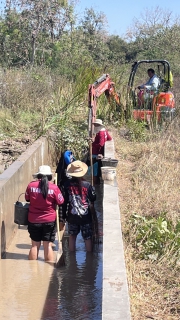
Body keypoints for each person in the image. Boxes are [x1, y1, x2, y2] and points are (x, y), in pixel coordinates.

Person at [25, 165, 64, 262]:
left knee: (34, 245)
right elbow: (61, 201)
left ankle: (33, 271)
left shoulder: (31, 186)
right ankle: (48, 270)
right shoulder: (54, 188)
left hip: (33, 220)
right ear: (50, 176)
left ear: (39, 175)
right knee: (48, 245)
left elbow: (27, 198)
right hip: (49, 220)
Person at [62, 160, 96, 252]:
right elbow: (93, 198)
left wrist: (63, 216)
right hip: (86, 216)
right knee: (87, 238)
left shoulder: (66, 185)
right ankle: (89, 259)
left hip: (72, 216)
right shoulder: (87, 185)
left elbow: (64, 202)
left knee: (72, 237)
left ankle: (72, 260)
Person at [55, 150, 76, 231]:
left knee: (70, 213)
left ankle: (66, 231)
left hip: (72, 193)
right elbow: (57, 180)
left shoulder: (73, 165)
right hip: (64, 193)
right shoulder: (62, 168)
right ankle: (62, 230)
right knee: (62, 213)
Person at [88, 118, 112, 184]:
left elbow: (100, 144)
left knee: (94, 170)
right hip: (99, 152)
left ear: (99, 125)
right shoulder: (105, 131)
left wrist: (93, 144)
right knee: (97, 169)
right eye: (95, 125)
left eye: (96, 125)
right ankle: (96, 183)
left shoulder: (101, 133)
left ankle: (94, 185)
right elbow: (109, 138)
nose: (95, 126)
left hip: (96, 153)